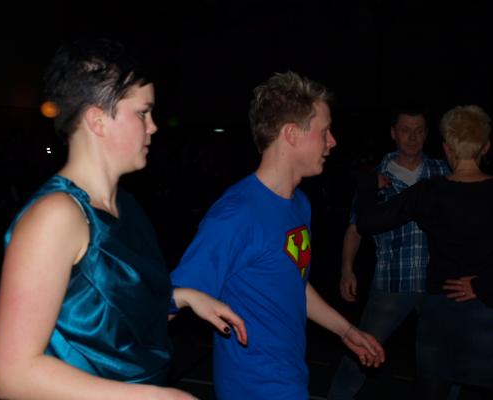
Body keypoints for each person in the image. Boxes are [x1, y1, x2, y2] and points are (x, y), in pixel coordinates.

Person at [0, 37, 247, 400]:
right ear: (98, 120)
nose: (153, 126)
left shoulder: (125, 206)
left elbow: (110, 318)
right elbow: (12, 376)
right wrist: (158, 397)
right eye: (143, 113)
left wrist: (182, 298)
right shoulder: (56, 216)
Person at [170, 71, 385, 400]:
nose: (332, 142)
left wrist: (345, 330)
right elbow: (169, 298)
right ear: (291, 134)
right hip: (255, 387)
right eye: (324, 132)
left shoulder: (299, 204)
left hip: (291, 374)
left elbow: (293, 282)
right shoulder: (236, 215)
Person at [355, 104, 493, 399]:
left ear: (447, 148)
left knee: (433, 390)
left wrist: (368, 186)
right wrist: (483, 285)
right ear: (486, 147)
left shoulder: (430, 192)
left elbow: (367, 222)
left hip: (442, 311)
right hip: (486, 309)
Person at [328, 107, 450, 400]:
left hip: (437, 284)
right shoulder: (374, 178)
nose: (412, 137)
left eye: (419, 130)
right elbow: (355, 228)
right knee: (361, 351)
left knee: (445, 361)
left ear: (427, 134)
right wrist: (347, 269)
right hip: (392, 281)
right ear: (393, 133)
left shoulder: (443, 171)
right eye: (405, 130)